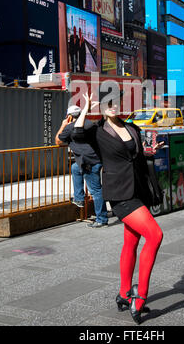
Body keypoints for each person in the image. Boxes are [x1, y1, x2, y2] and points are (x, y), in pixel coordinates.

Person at [72, 90, 164, 325]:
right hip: (119, 193)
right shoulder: (97, 130)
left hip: (139, 189)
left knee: (131, 242)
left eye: (115, 102)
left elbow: (134, 155)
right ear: (101, 107)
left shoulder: (131, 127)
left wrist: (147, 152)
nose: (113, 106)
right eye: (107, 103)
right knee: (155, 235)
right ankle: (140, 296)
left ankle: (124, 294)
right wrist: (87, 107)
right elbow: (76, 133)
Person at [55, 105, 108, 228]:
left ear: (69, 116)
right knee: (75, 168)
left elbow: (58, 141)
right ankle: (79, 198)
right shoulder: (91, 124)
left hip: (88, 162)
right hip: (96, 159)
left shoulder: (69, 128)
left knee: (96, 190)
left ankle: (102, 218)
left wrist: (63, 125)